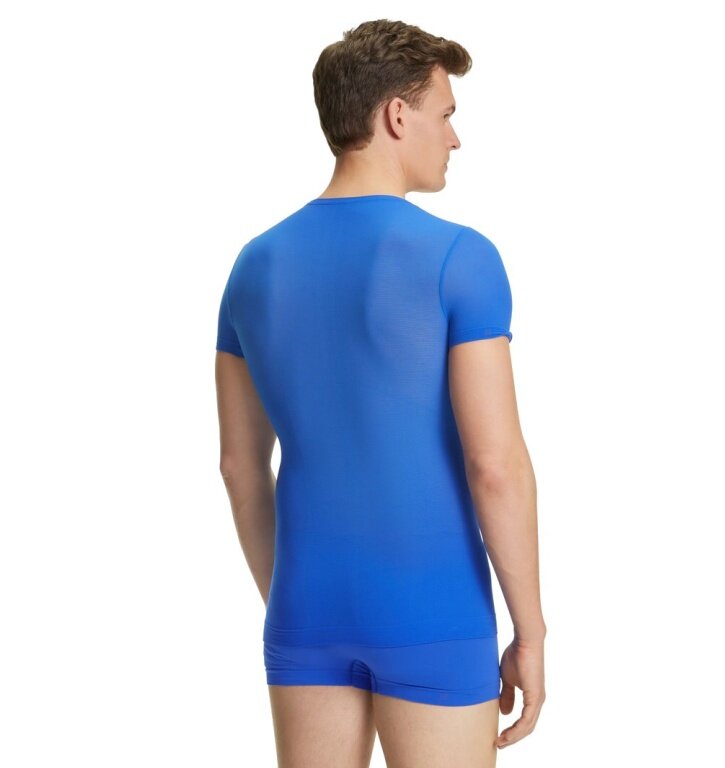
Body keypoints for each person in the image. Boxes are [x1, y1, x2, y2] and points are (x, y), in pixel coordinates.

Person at [215, 18, 546, 768]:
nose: (455, 138)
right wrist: (529, 631)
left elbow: (239, 467)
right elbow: (495, 466)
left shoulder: (252, 265)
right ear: (398, 114)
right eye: (446, 114)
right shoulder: (460, 258)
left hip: (305, 608)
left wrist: (294, 602)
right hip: (432, 610)